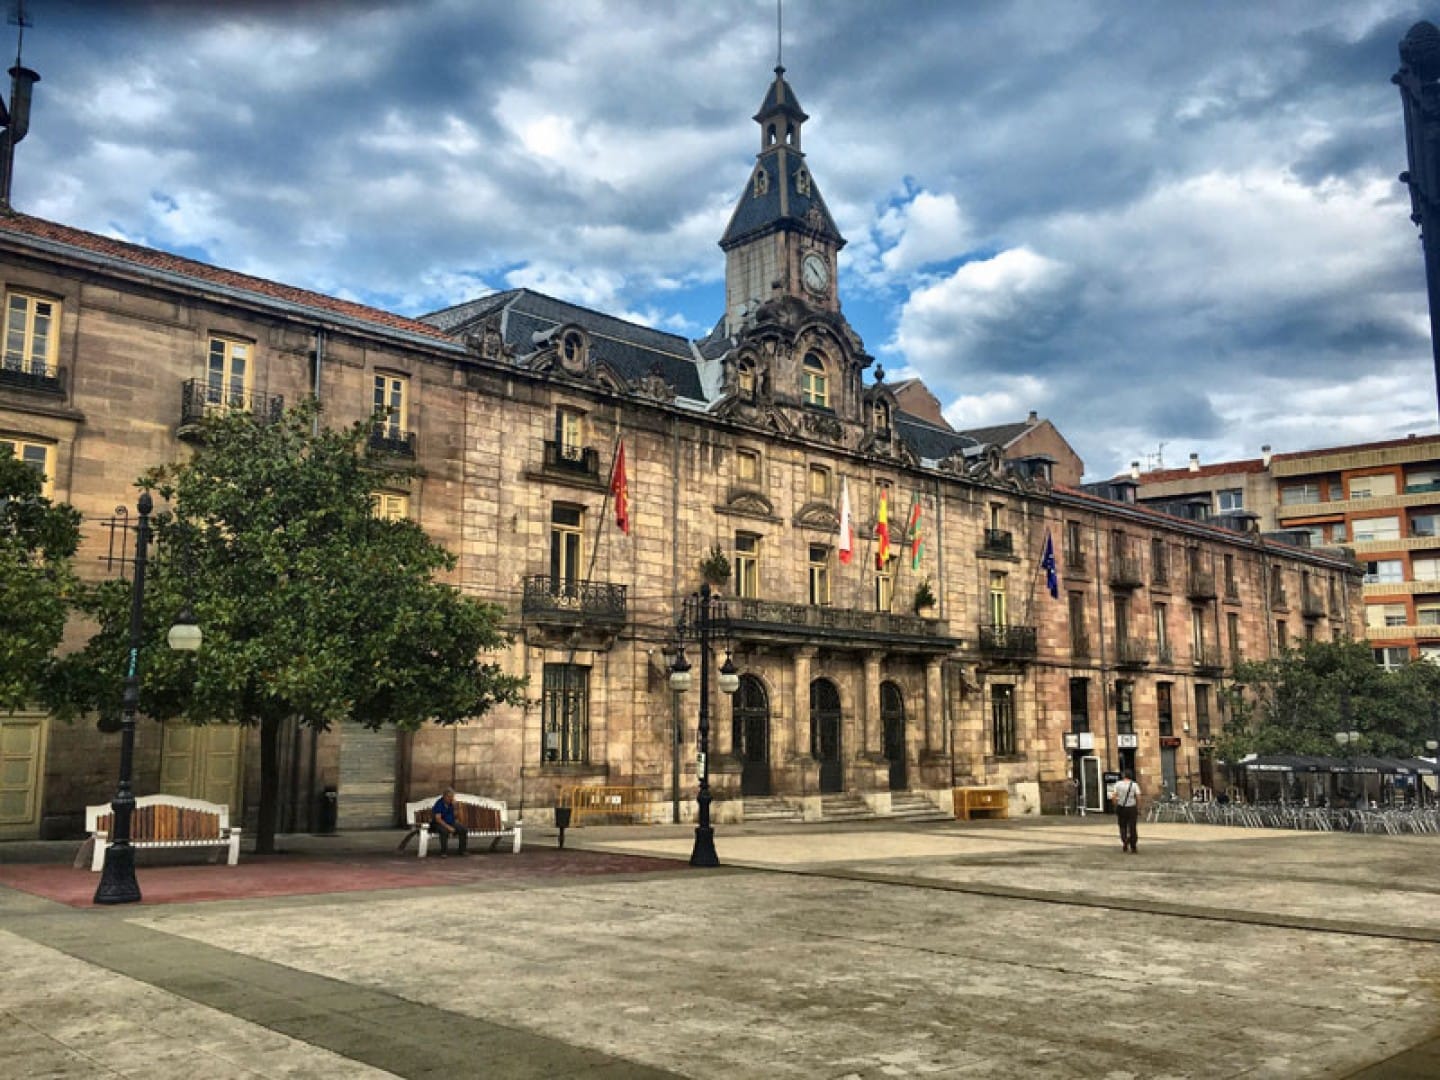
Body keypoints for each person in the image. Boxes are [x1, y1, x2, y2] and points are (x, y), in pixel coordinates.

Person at [430, 788, 467, 857]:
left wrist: (455, 807)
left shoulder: (451, 804)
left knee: (463, 829)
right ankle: (443, 852)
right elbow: (438, 819)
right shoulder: (439, 804)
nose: (451, 798)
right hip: (439, 824)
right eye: (449, 797)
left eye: (452, 797)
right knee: (444, 831)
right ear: (444, 796)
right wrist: (448, 827)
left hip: (451, 822)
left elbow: (456, 816)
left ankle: (462, 850)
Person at [1113, 769, 1140, 853]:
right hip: (1132, 807)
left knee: (1122, 826)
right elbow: (1138, 797)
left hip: (1121, 807)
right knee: (1132, 826)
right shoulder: (1134, 785)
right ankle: (1133, 845)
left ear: (1124, 775)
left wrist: (1115, 805)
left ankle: (1124, 840)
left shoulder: (1118, 784)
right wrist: (1138, 807)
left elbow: (1114, 796)